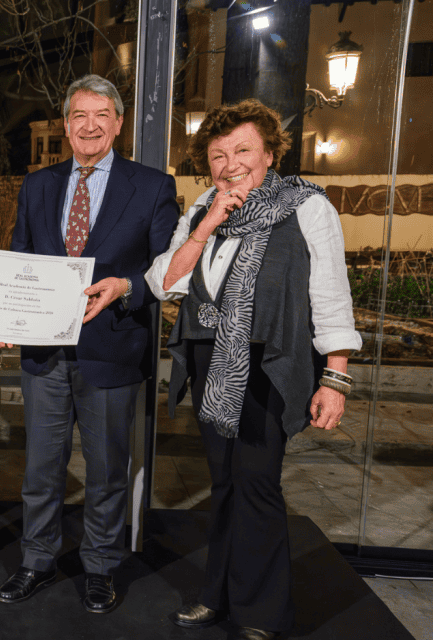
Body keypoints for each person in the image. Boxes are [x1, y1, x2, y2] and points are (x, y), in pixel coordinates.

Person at [145, 99, 361, 640]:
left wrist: (334, 377)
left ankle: (261, 613)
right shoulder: (200, 210)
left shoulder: (307, 207)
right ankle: (216, 596)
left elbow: (331, 295)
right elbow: (163, 283)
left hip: (269, 359)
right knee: (224, 485)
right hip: (207, 358)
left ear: (269, 153)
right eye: (218, 154)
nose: (229, 162)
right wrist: (209, 222)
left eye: (242, 149)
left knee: (257, 485)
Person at [0, 74, 179, 612]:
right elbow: (20, 259)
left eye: (102, 115)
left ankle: (100, 566)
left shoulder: (151, 186)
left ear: (118, 124)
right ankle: (36, 561)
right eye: (79, 115)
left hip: (112, 349)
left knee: (104, 473)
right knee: (41, 470)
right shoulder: (39, 185)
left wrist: (126, 287)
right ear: (67, 124)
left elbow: (166, 268)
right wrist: (5, 308)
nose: (90, 125)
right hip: (44, 354)